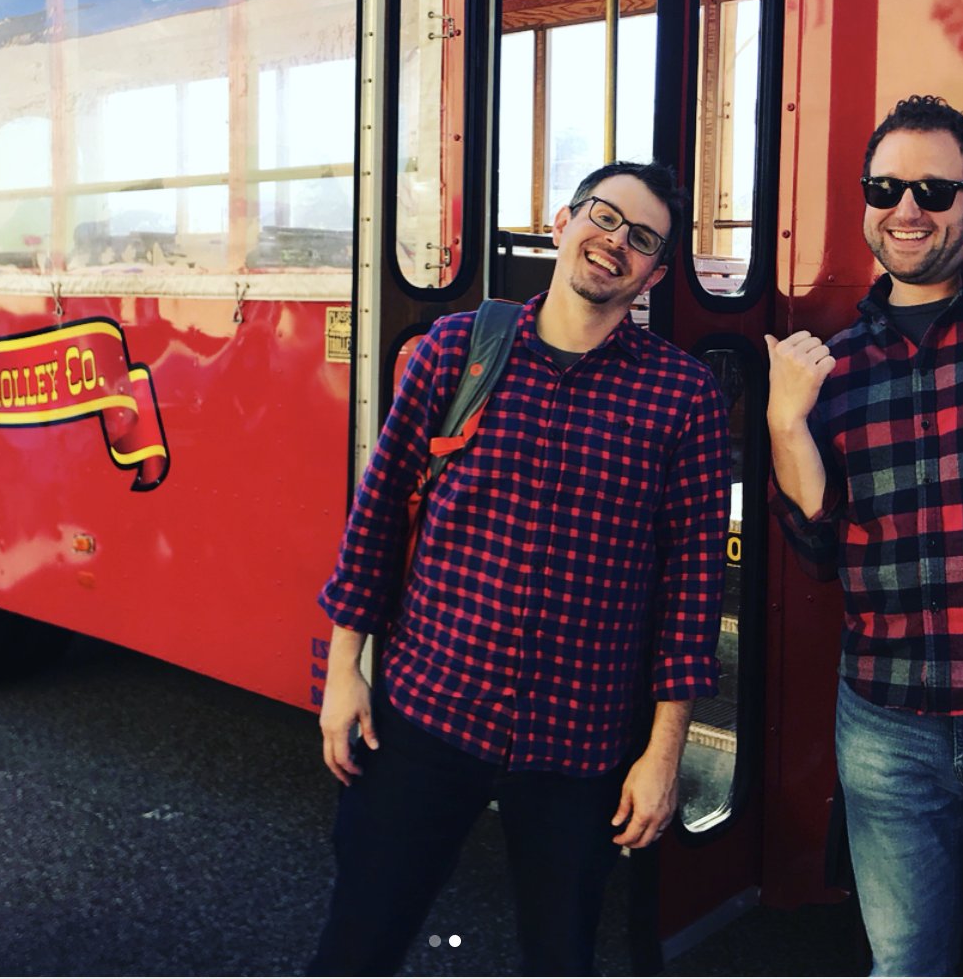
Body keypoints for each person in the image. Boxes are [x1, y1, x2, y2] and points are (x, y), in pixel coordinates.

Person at [309, 161, 730, 976]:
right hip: (429, 709)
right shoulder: (459, 350)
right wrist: (342, 672)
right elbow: (379, 511)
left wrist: (664, 753)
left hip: (581, 740)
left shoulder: (681, 397)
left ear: (655, 273)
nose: (615, 243)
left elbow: (691, 588)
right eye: (603, 218)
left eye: (641, 239)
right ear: (560, 222)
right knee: (358, 943)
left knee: (562, 957)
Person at [766, 95, 963, 977]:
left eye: (932, 188)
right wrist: (785, 427)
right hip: (887, 720)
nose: (906, 210)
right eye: (885, 188)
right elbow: (820, 552)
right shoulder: (836, 366)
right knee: (906, 963)